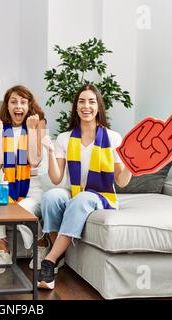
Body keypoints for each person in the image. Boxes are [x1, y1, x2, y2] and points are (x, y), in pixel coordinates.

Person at [38, 84, 132, 290]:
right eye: (81, 101)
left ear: (99, 106)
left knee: (83, 198)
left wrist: (134, 166)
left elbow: (121, 181)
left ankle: (50, 260)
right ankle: (59, 253)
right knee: (51, 196)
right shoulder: (65, 138)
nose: (86, 106)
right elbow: (56, 179)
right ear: (76, 106)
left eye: (91, 101)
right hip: (75, 192)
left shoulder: (113, 138)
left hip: (101, 196)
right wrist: (51, 152)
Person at [0, 85, 49, 275]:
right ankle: (4, 250)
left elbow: (34, 160)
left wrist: (30, 129)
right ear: (7, 106)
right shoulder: (0, 128)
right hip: (8, 185)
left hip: (32, 188)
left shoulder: (38, 124)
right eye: (13, 102)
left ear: (29, 105)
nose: (18, 106)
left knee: (22, 209)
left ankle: (41, 244)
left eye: (23, 102)